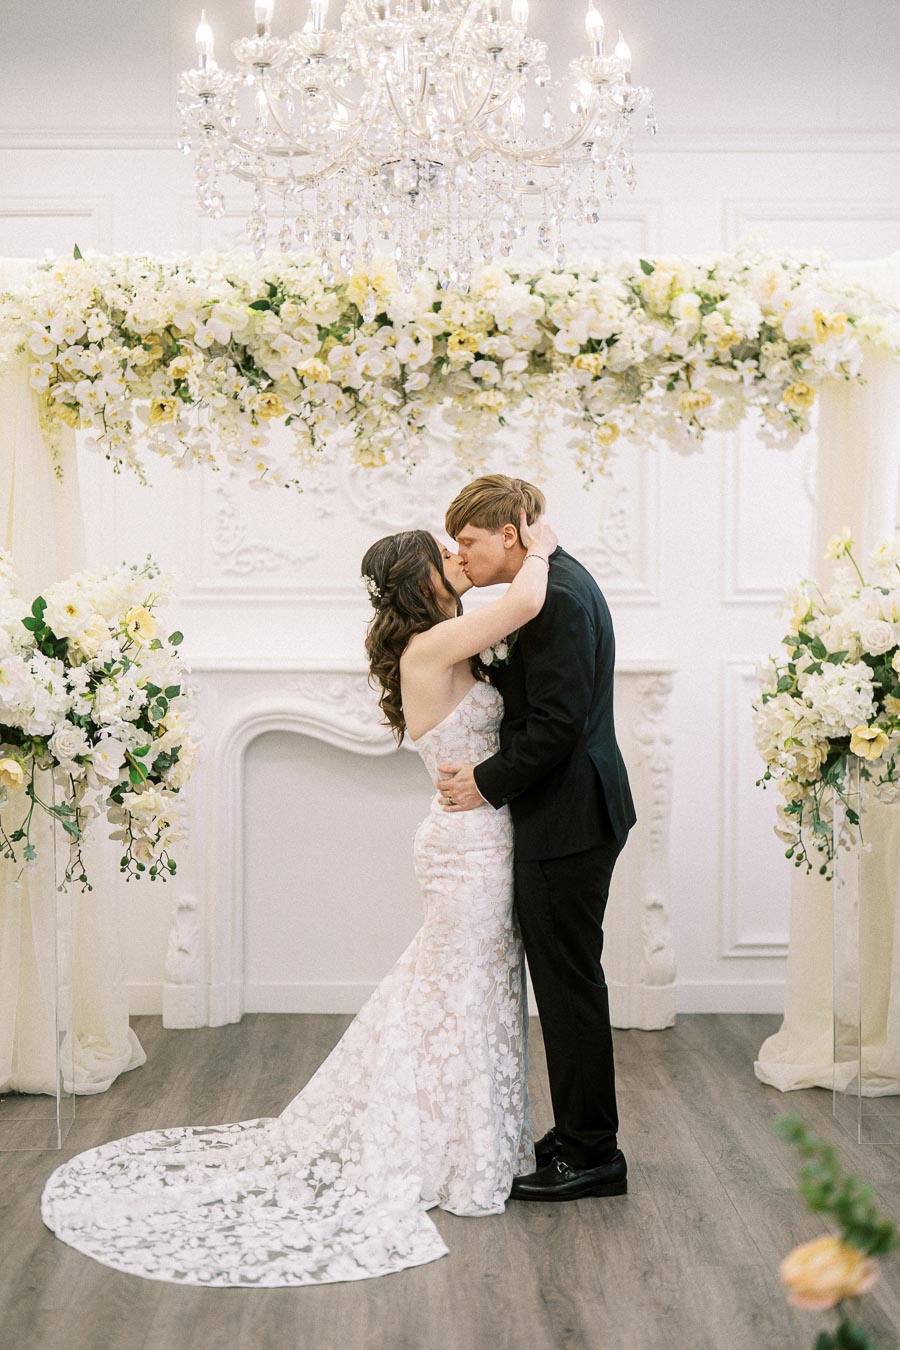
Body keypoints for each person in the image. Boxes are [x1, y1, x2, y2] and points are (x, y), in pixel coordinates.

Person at [39, 511, 558, 1288]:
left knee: (463, 994)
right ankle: (444, 1150)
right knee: (460, 992)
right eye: (441, 555)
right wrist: (540, 548)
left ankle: (460, 1141)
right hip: (467, 851)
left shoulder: (447, 641)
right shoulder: (430, 646)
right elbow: (521, 605)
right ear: (421, 580)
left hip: (477, 838)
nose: (455, 558)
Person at [438, 473, 636, 1202]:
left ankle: (592, 1154)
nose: (461, 555)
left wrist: (482, 782)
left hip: (569, 819)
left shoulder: (554, 596)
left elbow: (555, 727)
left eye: (468, 540)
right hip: (575, 813)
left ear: (510, 536)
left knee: (570, 988)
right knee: (567, 984)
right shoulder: (552, 584)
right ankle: (580, 1133)